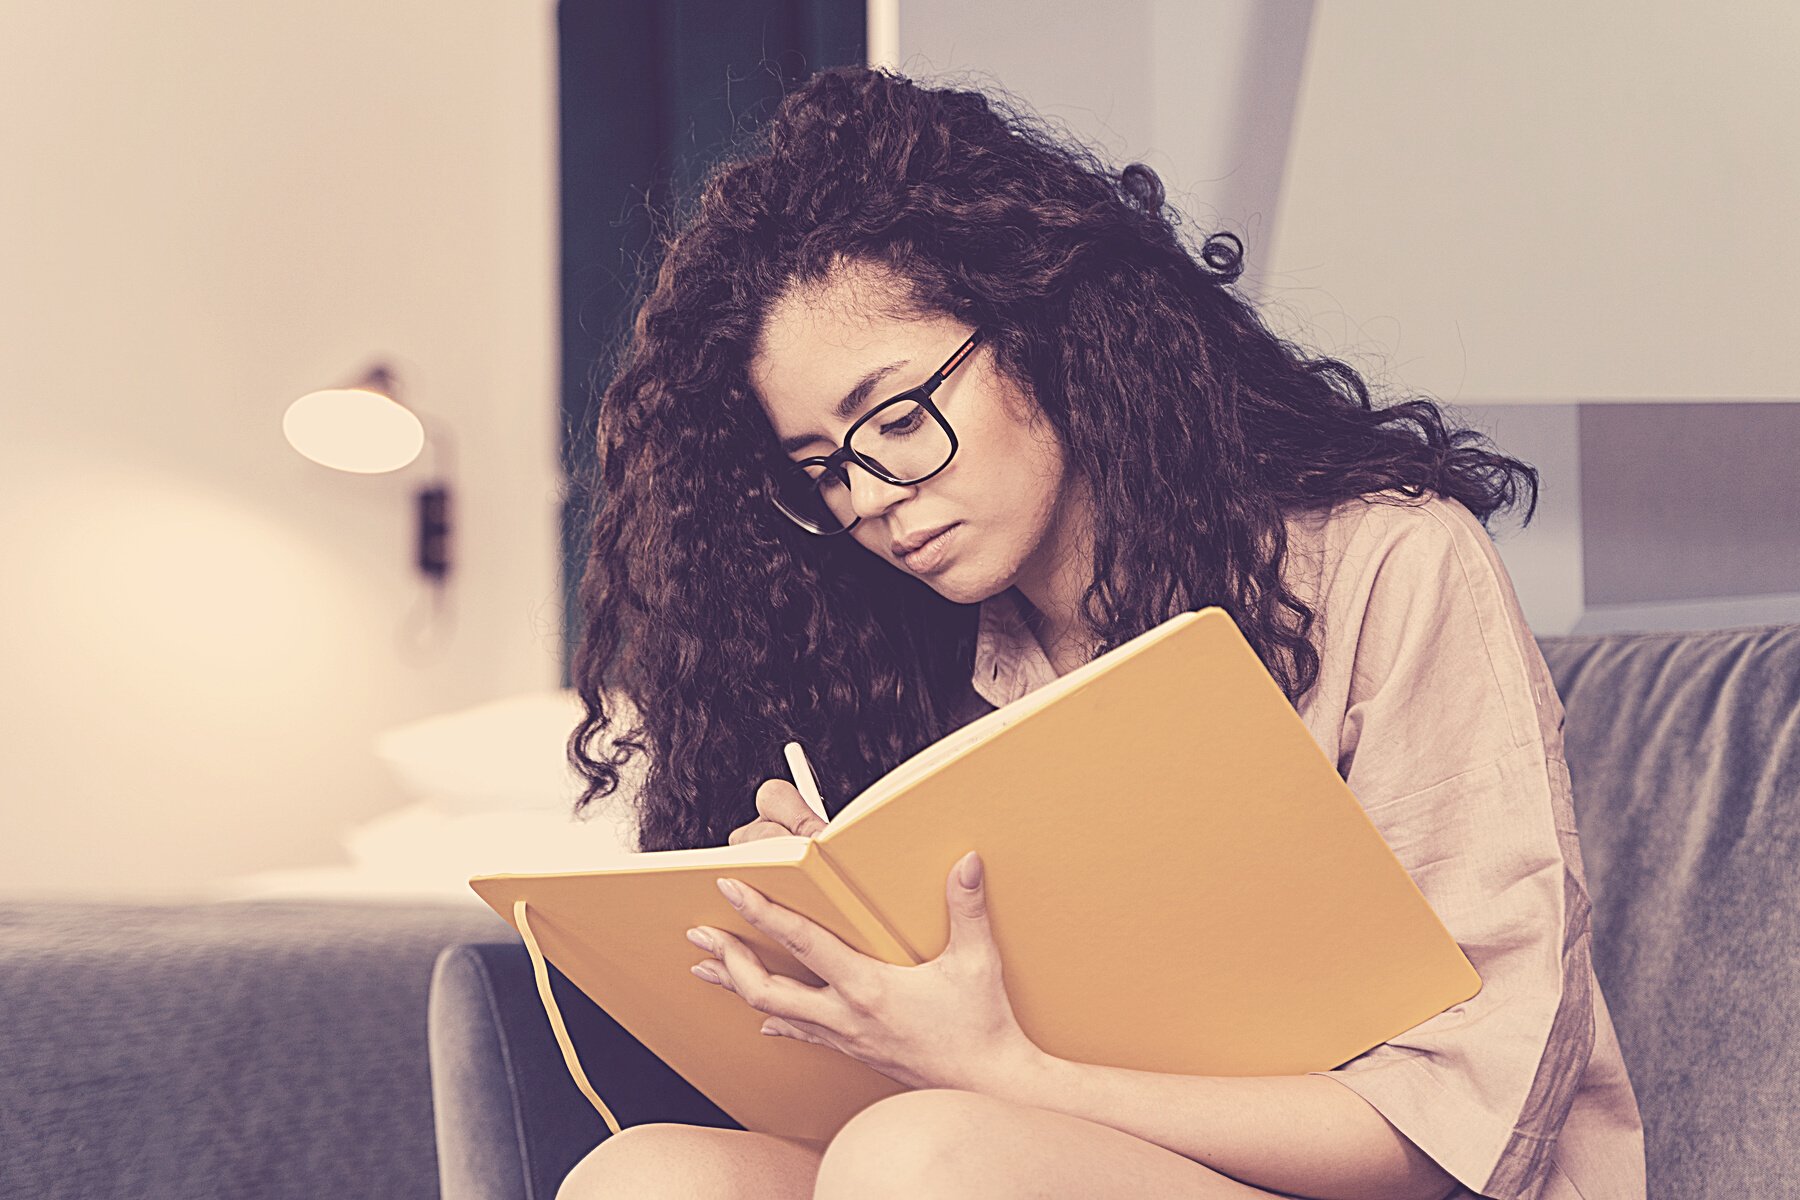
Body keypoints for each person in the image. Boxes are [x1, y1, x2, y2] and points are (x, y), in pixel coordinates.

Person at [555, 63, 1645, 1200]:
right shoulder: (912, 657)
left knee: (921, 1159)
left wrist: (1000, 1072)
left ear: (1044, 332)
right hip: (1047, 1159)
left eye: (895, 418)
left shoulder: (1391, 563)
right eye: (821, 469)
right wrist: (828, 947)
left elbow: (1461, 1128)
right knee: (646, 1176)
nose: (869, 495)